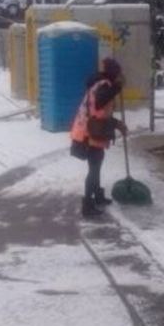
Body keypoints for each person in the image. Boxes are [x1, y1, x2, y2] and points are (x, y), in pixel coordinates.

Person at [68, 57, 128, 219]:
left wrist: (117, 124)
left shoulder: (99, 84)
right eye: (117, 73)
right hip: (90, 133)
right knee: (94, 169)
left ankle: (98, 196)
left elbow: (100, 111)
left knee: (96, 165)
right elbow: (100, 103)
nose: (118, 76)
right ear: (113, 73)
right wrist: (117, 87)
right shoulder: (104, 86)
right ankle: (88, 205)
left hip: (90, 130)